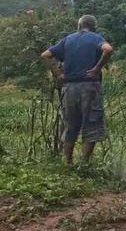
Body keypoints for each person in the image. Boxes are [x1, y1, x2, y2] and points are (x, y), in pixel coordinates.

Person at [41, 15, 113, 165]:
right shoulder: (96, 38)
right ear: (93, 27)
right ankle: (84, 164)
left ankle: (68, 163)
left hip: (69, 88)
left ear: (79, 26)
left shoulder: (68, 39)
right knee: (92, 123)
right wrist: (97, 69)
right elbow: (108, 49)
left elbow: (46, 55)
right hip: (90, 87)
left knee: (70, 125)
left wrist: (58, 74)